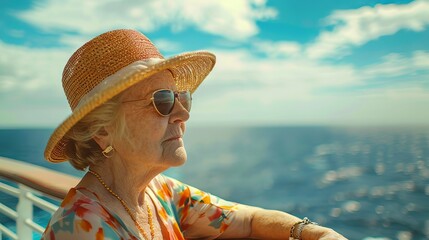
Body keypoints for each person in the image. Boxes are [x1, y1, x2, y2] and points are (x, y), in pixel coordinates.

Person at [42, 29, 347, 240]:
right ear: (102, 131)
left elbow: (247, 219)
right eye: (161, 101)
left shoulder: (158, 193)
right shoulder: (81, 229)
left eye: (182, 98)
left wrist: (313, 233)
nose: (183, 113)